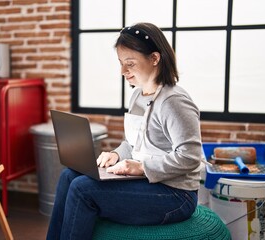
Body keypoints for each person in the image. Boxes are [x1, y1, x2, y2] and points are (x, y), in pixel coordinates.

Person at [46, 22, 203, 240]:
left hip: (176, 195)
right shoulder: (138, 95)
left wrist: (141, 167)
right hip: (148, 183)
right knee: (68, 176)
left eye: (130, 63)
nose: (123, 71)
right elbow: (133, 143)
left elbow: (190, 157)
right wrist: (117, 154)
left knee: (82, 189)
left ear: (155, 59)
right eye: (121, 63)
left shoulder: (174, 101)